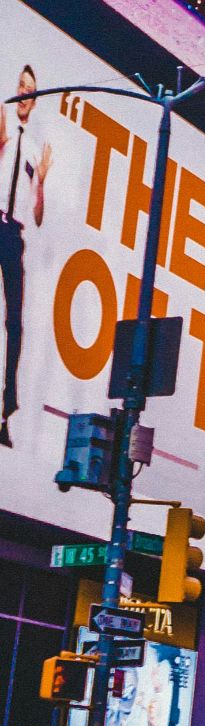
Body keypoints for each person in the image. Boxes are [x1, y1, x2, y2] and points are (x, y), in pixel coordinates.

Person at [0, 64, 52, 449]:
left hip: (13, 234)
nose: (24, 93)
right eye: (21, 85)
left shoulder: (33, 148)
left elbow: (36, 215)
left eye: (30, 89)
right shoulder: (4, 130)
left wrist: (43, 181)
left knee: (15, 322)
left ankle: (6, 406)